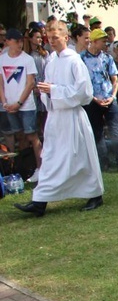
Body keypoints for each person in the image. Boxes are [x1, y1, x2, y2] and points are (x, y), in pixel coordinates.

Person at [14, 20, 105, 216]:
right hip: (55, 117)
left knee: (80, 157)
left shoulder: (74, 61)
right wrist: (46, 92)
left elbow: (85, 93)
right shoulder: (51, 61)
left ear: (66, 37)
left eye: (55, 37)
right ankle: (40, 201)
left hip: (72, 117)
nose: (51, 41)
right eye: (49, 38)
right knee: (50, 157)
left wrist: (53, 90)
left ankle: (94, 194)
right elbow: (50, 87)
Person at [81, 28, 118, 174]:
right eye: (103, 41)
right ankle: (104, 163)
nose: (106, 44)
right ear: (94, 41)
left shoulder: (107, 58)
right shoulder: (81, 58)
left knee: (115, 132)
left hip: (110, 100)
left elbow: (114, 79)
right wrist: (94, 98)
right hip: (92, 101)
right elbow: (81, 83)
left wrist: (113, 96)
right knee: (97, 133)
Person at [0, 28, 41, 181]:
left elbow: (30, 84)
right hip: (9, 105)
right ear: (8, 42)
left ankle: (40, 168)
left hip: (26, 105)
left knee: (32, 135)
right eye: (15, 41)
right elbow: (1, 84)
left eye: (20, 41)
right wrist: (4, 102)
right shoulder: (2, 59)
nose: (19, 44)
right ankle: (20, 169)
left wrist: (18, 103)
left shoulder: (27, 60)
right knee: (19, 136)